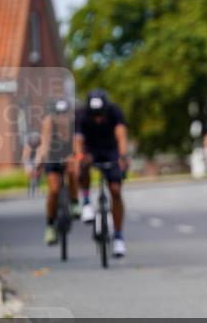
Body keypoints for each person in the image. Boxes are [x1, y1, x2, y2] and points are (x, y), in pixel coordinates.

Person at [74, 89, 130, 257]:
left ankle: (119, 237)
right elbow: (78, 140)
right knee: (83, 165)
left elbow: (121, 136)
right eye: (94, 115)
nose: (98, 118)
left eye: (101, 115)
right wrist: (79, 157)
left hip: (110, 149)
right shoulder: (81, 114)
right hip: (90, 149)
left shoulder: (115, 111)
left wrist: (123, 156)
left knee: (115, 190)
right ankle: (85, 201)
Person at [37, 98, 77, 245]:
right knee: (53, 191)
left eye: (64, 114)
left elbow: (76, 142)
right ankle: (50, 226)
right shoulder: (48, 122)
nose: (61, 118)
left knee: (73, 170)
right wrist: (41, 160)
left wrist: (74, 156)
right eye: (58, 114)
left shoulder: (73, 122)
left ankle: (75, 201)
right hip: (53, 156)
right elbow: (45, 143)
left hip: (68, 154)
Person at [21, 130, 41, 195]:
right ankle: (30, 184)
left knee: (37, 173)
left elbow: (39, 153)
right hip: (29, 159)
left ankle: (37, 186)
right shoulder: (27, 144)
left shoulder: (39, 145)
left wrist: (37, 163)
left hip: (35, 158)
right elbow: (25, 155)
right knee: (30, 173)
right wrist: (25, 163)